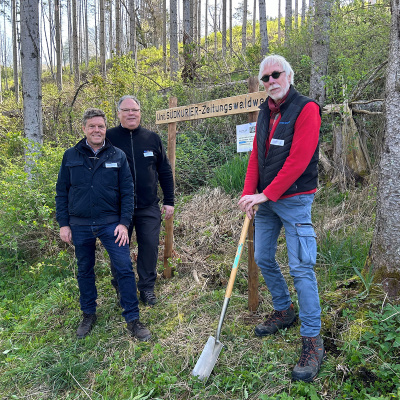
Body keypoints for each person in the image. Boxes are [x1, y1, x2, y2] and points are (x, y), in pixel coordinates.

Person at [238, 55, 324, 382]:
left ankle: (313, 340)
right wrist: (250, 195)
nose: (271, 80)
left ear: (289, 75)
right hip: (267, 200)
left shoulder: (306, 108)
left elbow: (299, 160)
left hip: (295, 199)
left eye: (276, 75)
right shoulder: (265, 110)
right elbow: (256, 159)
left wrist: (266, 194)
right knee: (262, 256)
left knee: (301, 266)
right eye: (265, 77)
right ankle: (285, 309)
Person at [55, 108, 151, 341]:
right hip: (80, 224)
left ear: (105, 128)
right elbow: (61, 192)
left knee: (124, 269)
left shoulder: (117, 155)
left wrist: (123, 224)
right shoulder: (70, 156)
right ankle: (88, 314)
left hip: (111, 224)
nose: (97, 130)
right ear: (84, 129)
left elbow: (128, 193)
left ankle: (133, 319)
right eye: (92, 126)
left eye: (100, 126)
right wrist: (64, 224)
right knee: (85, 270)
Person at [106, 95, 174, 306]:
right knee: (119, 251)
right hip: (117, 209)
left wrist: (169, 200)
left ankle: (146, 289)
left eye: (134, 110)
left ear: (140, 113)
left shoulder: (152, 138)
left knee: (150, 247)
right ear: (118, 114)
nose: (130, 114)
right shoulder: (108, 138)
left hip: (148, 206)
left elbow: (164, 170)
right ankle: (123, 290)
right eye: (125, 110)